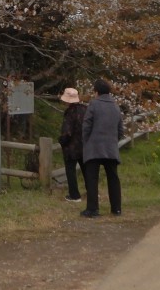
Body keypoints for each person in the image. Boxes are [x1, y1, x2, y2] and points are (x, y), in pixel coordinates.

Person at [80, 78, 124, 218]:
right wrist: (113, 141)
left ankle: (93, 209)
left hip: (94, 147)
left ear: (96, 91)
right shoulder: (115, 107)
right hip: (110, 148)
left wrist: (86, 142)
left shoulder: (94, 104)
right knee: (113, 178)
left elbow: (86, 125)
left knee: (92, 178)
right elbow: (120, 130)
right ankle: (116, 208)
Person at [57, 87, 87, 203]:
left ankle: (74, 195)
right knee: (86, 170)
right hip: (84, 145)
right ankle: (91, 192)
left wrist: (62, 141)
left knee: (70, 170)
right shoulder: (85, 109)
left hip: (71, 147)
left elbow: (67, 132)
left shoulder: (70, 113)